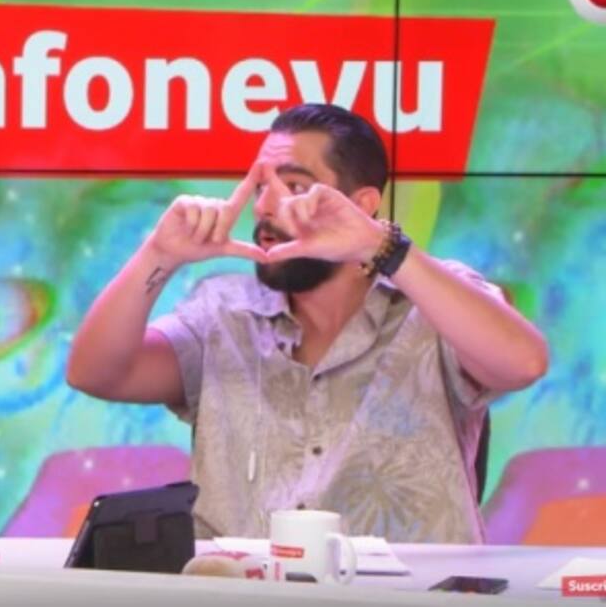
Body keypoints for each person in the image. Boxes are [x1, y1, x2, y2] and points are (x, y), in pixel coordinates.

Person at [67, 103, 549, 544]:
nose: (264, 207)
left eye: (294, 187)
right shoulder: (222, 314)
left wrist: (383, 247)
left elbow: (523, 363)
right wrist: (159, 254)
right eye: (261, 188)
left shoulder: (432, 300)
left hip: (403, 595)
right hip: (241, 593)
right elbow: (95, 373)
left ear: (362, 204)